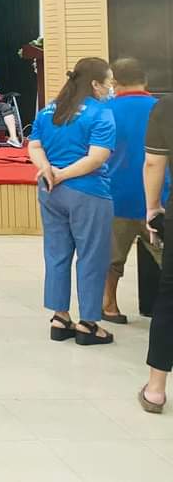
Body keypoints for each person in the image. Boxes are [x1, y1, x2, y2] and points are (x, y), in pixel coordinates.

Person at [29, 58, 117, 347]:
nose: (111, 88)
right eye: (109, 82)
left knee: (56, 253)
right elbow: (97, 157)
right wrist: (64, 174)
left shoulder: (49, 110)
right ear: (95, 84)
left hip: (50, 191)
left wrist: (47, 170)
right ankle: (88, 323)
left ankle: (60, 317)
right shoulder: (101, 112)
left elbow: (34, 145)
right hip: (88, 192)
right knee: (92, 256)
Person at [103, 58, 165, 324]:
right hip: (158, 197)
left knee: (112, 259)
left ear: (114, 82)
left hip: (114, 196)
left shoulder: (105, 111)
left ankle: (109, 305)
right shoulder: (161, 109)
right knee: (167, 259)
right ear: (145, 80)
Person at [140, 94, 173, 413]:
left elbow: (154, 163)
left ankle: (156, 390)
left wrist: (153, 209)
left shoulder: (166, 107)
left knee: (170, 299)